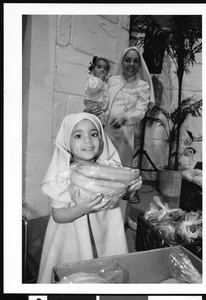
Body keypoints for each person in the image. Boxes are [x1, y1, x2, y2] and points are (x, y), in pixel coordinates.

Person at [37, 112, 142, 283]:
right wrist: (81, 209)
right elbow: (58, 215)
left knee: (107, 272)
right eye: (78, 135)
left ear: (101, 140)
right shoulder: (64, 175)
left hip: (106, 230)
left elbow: (124, 195)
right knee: (77, 276)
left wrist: (131, 189)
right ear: (67, 143)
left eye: (94, 134)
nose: (87, 140)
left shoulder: (110, 170)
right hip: (75, 235)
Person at [85, 46, 155, 229]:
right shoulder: (111, 80)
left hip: (124, 136)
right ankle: (100, 218)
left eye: (135, 60)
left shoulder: (143, 85)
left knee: (122, 178)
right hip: (104, 134)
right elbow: (101, 99)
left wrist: (126, 117)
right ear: (122, 61)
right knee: (101, 175)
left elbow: (141, 110)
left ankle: (123, 218)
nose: (131, 64)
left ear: (139, 64)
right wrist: (92, 109)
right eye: (127, 60)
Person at [83, 56, 110, 126]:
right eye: (99, 67)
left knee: (100, 125)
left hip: (100, 109)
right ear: (93, 70)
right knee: (91, 123)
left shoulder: (105, 83)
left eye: (105, 69)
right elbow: (93, 87)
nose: (102, 70)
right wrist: (100, 80)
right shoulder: (92, 80)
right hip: (92, 105)